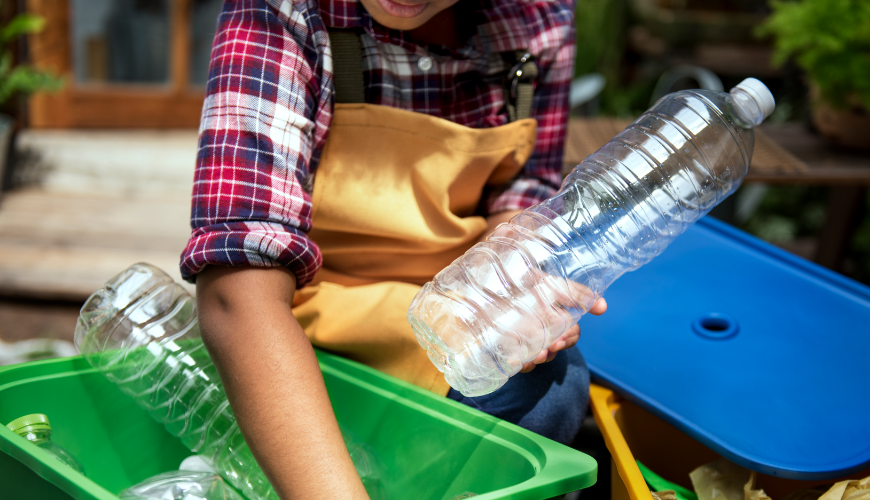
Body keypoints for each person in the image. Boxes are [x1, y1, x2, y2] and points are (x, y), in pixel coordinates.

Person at [180, 0, 606, 497]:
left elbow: (523, 191)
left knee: (553, 385)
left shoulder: (539, 20)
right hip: (301, 330)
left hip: (445, 322)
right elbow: (238, 296)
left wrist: (512, 284)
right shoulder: (283, 12)